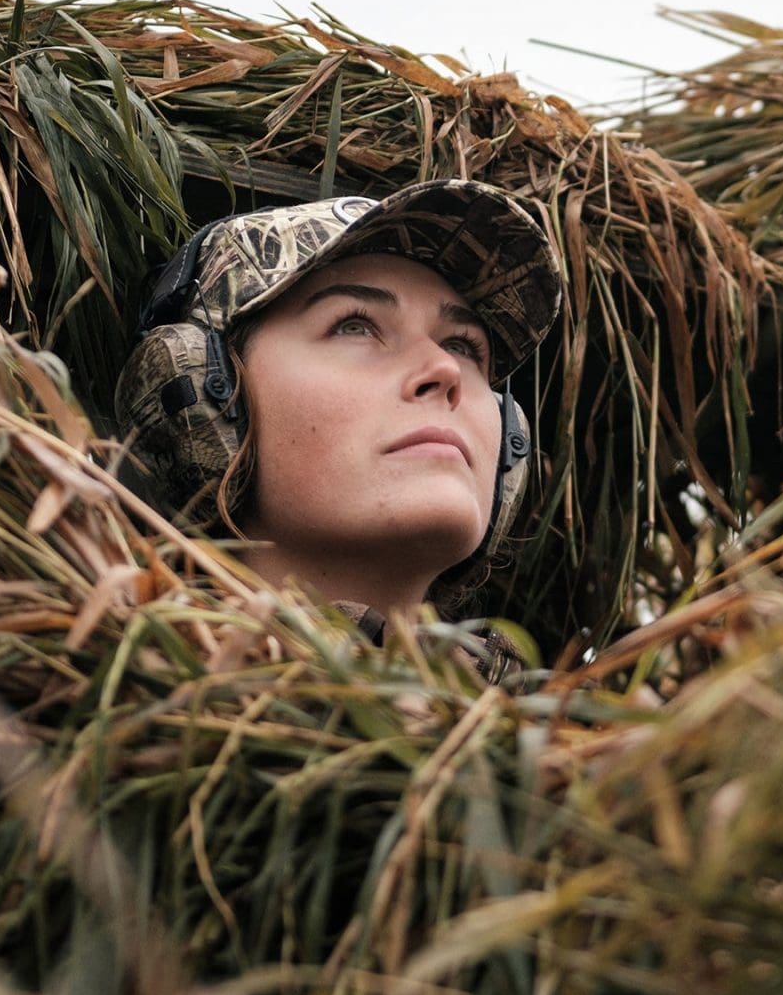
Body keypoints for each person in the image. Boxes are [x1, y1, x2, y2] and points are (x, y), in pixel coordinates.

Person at [114, 180, 563, 682]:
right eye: (355, 325)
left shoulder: (587, 743)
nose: (445, 369)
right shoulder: (109, 688)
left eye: (463, 345)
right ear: (203, 395)